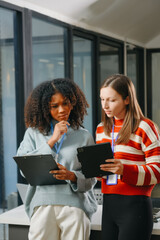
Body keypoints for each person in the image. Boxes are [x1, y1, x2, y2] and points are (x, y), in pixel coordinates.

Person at [16, 78, 97, 240]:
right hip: (42, 205)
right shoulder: (33, 133)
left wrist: (72, 176)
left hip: (75, 207)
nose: (62, 110)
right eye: (54, 106)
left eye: (65, 103)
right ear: (45, 108)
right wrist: (52, 140)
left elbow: (91, 179)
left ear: (73, 103)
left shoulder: (84, 136)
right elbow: (25, 170)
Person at [96, 74, 160, 240]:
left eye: (111, 100)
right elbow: (104, 171)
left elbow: (157, 171)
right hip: (108, 204)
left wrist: (124, 170)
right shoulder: (101, 129)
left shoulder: (144, 127)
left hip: (135, 206)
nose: (105, 105)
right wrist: (96, 170)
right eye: (102, 99)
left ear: (126, 99)